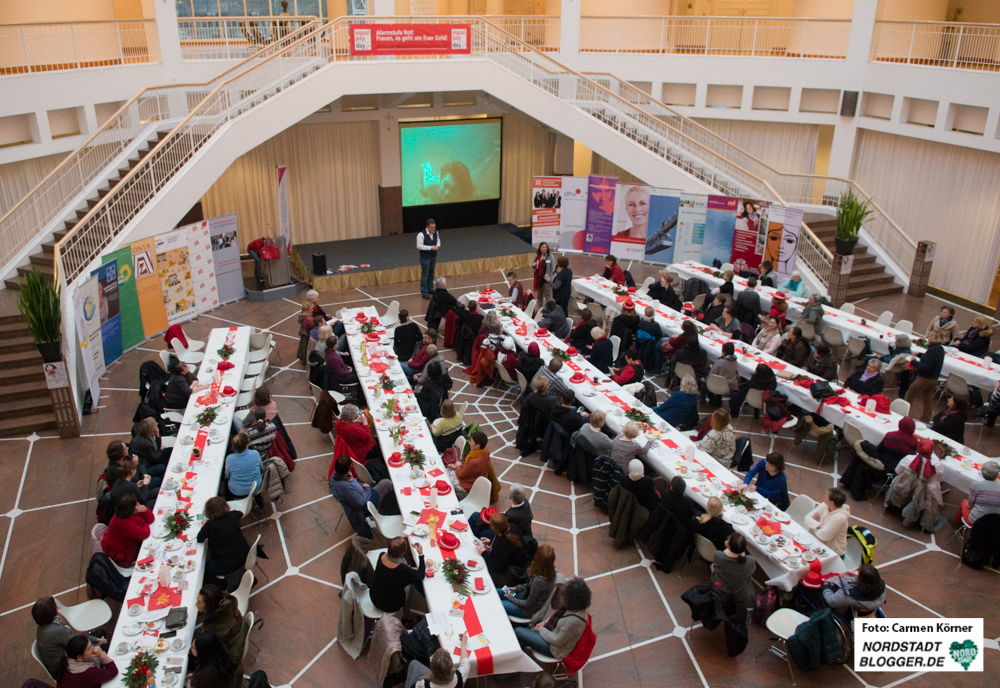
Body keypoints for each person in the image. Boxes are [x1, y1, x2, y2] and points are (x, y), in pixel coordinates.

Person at [514, 577, 591, 659]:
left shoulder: (574, 621)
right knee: (522, 638)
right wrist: (545, 623)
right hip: (551, 634)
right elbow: (557, 617)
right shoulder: (573, 607)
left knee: (518, 631)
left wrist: (541, 629)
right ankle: (516, 658)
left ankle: (514, 659)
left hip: (554, 649)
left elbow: (558, 640)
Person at [33, 597, 105, 682]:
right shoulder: (56, 631)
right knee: (103, 647)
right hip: (65, 669)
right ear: (52, 611)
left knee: (99, 633)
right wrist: (96, 641)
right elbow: (77, 643)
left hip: (64, 660)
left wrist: (95, 639)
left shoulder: (43, 627)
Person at [328, 455, 393, 538]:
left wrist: (362, 485)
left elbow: (354, 484)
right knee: (386, 483)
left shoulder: (335, 477)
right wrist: (366, 488)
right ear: (347, 469)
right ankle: (389, 510)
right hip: (366, 505)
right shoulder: (346, 487)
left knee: (383, 483)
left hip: (362, 495)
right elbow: (360, 502)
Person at [197, 497, 250, 581]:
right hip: (244, 554)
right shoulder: (233, 516)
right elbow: (240, 513)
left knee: (202, 569)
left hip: (227, 564)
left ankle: (219, 584)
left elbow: (199, 539)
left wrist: (204, 526)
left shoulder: (210, 525)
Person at [371, 536, 425, 614]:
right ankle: (406, 613)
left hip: (374, 595)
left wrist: (409, 569)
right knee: (414, 584)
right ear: (402, 553)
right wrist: (421, 554)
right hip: (390, 605)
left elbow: (395, 572)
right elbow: (421, 575)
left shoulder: (382, 555)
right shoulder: (402, 570)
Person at [500, 544, 556, 619]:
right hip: (523, 596)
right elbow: (530, 585)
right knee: (498, 592)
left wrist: (510, 598)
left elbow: (528, 604)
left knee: (498, 604)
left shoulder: (539, 581)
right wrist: (516, 588)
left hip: (526, 611)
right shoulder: (550, 572)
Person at [196, 585, 247, 667]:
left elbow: (211, 649)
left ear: (209, 605)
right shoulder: (223, 607)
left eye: (199, 602)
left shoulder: (219, 626)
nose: (196, 604)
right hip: (231, 643)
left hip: (229, 660)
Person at [905, 331, 947, 423]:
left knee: (909, 395)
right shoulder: (940, 349)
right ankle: (925, 419)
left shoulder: (932, 350)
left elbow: (926, 367)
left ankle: (904, 415)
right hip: (934, 379)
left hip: (924, 379)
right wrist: (920, 355)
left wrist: (913, 362)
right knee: (927, 400)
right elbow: (931, 360)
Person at [100, 494, 153, 567]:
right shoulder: (123, 522)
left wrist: (145, 510)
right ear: (131, 509)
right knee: (151, 553)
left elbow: (151, 519)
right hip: (123, 555)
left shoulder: (128, 513)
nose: (138, 504)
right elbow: (143, 534)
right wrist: (146, 523)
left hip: (132, 545)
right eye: (136, 504)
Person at [711, 533, 757, 608]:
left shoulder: (718, 556)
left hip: (722, 588)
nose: (726, 541)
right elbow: (752, 571)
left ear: (729, 546)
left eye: (728, 540)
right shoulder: (750, 561)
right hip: (742, 593)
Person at [822, 563, 886, 615]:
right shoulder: (881, 584)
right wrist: (856, 574)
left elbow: (831, 601)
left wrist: (826, 587)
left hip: (852, 612)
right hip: (872, 606)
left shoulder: (849, 595)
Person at [805, 487, 851, 556]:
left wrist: (815, 526)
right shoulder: (825, 505)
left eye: (826, 496)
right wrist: (820, 525)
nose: (824, 496)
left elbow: (823, 536)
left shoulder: (840, 518)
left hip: (834, 553)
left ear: (832, 502)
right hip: (821, 545)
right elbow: (807, 518)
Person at [480, 512, 523, 586]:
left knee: (484, 575)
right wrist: (490, 542)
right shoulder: (512, 527)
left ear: (494, 528)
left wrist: (484, 553)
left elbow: (499, 567)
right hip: (516, 562)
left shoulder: (502, 544)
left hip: (511, 572)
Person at [954, 461, 1000, 525]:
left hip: (976, 522)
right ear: (997, 475)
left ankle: (957, 521)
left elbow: (969, 505)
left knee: (964, 502)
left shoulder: (976, 485)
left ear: (982, 473)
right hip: (994, 523)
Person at [224, 433, 263, 501]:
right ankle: (258, 499)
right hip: (256, 487)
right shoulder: (255, 453)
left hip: (237, 491)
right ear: (247, 444)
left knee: (225, 482)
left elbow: (227, 475)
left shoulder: (229, 459)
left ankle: (229, 503)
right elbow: (261, 468)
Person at [454, 431, 491, 499]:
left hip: (468, 486)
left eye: (471, 442)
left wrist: (458, 466)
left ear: (478, 446)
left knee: (447, 478)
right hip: (477, 481)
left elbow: (460, 475)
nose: (469, 443)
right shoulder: (486, 451)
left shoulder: (473, 462)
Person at [417, 218, 440, 299]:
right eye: (432, 227)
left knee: (431, 273)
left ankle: (430, 289)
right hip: (425, 257)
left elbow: (438, 241)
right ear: (427, 227)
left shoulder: (436, 232)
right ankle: (424, 292)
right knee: (425, 275)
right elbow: (419, 246)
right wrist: (431, 248)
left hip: (433, 256)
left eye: (434, 227)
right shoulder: (421, 234)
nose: (433, 229)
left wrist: (437, 246)